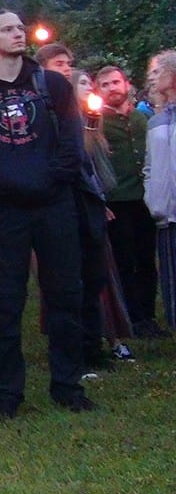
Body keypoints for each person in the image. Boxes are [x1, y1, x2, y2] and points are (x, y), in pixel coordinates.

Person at [0, 9, 92, 418]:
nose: (19, 34)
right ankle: (6, 395)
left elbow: (72, 145)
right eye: (9, 29)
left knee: (66, 296)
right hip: (5, 214)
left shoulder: (52, 86)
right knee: (4, 302)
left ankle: (68, 386)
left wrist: (47, 181)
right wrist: (14, 185)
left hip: (55, 207)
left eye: (20, 28)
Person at [69, 69, 133, 364]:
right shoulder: (71, 128)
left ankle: (112, 336)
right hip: (81, 211)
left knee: (105, 277)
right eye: (82, 84)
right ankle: (90, 341)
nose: (88, 88)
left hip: (98, 205)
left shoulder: (94, 124)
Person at [97, 64, 165, 338]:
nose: (112, 88)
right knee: (125, 260)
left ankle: (148, 315)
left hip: (145, 199)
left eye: (116, 82)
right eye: (105, 85)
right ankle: (132, 318)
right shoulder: (97, 122)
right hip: (118, 200)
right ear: (98, 91)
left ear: (126, 85)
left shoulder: (141, 119)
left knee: (147, 259)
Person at [145, 51, 176, 330]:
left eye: (157, 71)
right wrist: (152, 196)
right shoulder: (156, 120)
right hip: (166, 213)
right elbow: (150, 166)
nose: (151, 78)